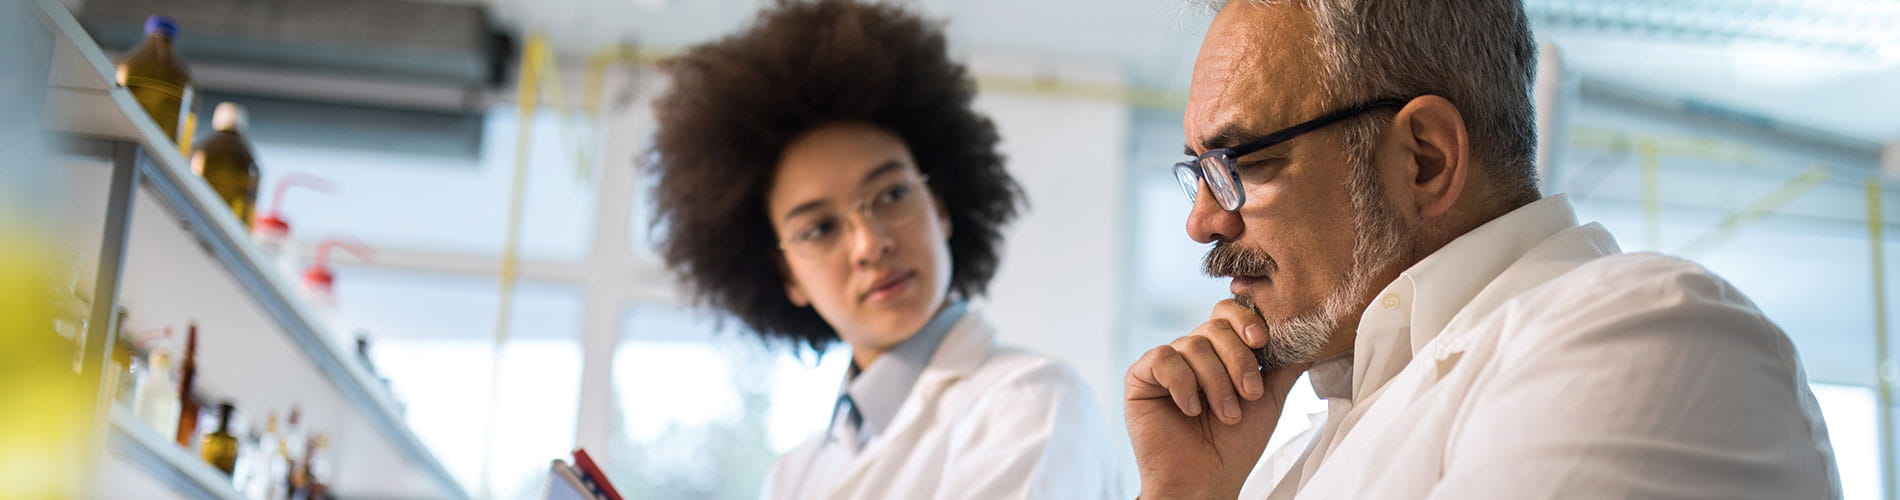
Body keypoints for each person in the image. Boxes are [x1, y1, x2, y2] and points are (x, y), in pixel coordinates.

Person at [1124, 0, 1841, 498]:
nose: (1202, 222)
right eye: (1200, 173)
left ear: (1424, 160)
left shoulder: (1654, 338)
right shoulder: (1307, 448)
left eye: (1241, 165)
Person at [644, 1, 1122, 498]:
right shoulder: (794, 475)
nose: (870, 244)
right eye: (820, 228)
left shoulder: (1028, 402)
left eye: (892, 195)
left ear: (939, 207)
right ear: (787, 276)